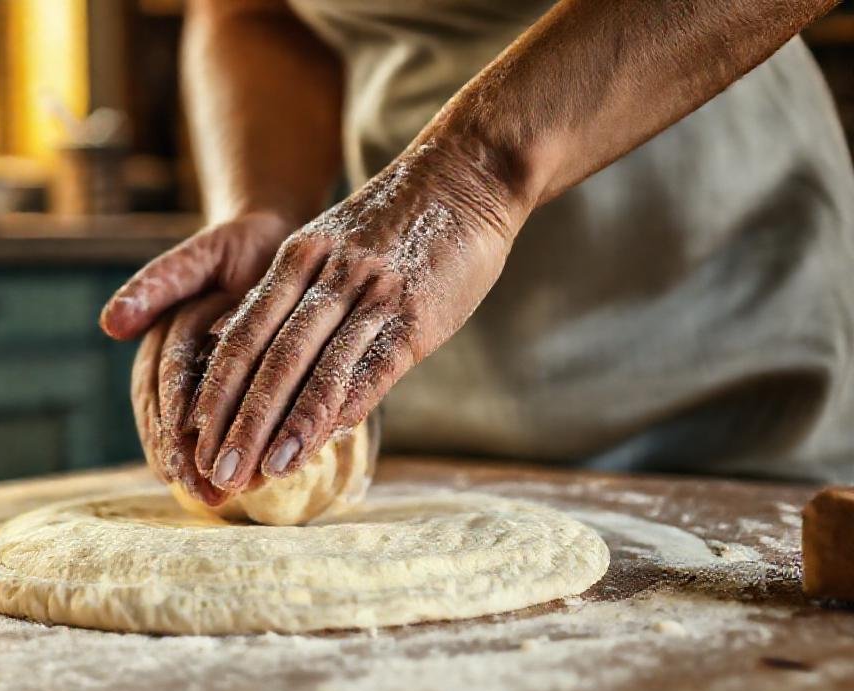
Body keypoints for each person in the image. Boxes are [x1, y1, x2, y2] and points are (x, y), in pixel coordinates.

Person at [103, 0, 854, 505]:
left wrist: (470, 175)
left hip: (699, 270)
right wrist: (262, 208)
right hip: (417, 298)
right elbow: (252, 12)